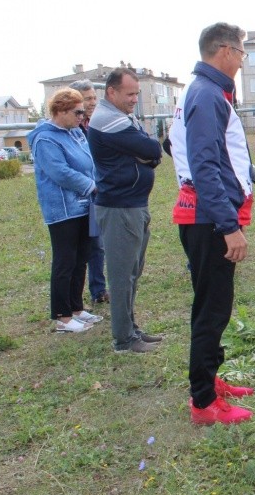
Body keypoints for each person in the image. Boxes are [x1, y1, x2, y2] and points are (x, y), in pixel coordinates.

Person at [170, 22, 255, 425]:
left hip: (207, 218)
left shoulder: (207, 92)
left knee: (213, 307)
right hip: (208, 221)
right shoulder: (206, 95)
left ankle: (210, 380)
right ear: (224, 50)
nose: (242, 60)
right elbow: (204, 165)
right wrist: (228, 225)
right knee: (211, 310)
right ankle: (203, 401)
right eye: (241, 52)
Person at [87, 67, 164, 353]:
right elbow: (152, 149)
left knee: (133, 272)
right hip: (120, 208)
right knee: (121, 277)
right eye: (130, 94)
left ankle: (132, 329)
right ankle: (123, 339)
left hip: (133, 204)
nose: (134, 99)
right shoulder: (108, 119)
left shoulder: (122, 117)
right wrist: (146, 153)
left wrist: (146, 153)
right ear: (112, 92)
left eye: (136, 94)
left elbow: (149, 152)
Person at [27, 88, 103, 333]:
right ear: (60, 111)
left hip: (84, 206)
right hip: (62, 209)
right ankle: (62, 316)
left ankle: (77, 308)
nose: (83, 116)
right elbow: (59, 171)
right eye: (77, 111)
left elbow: (88, 160)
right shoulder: (46, 138)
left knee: (82, 257)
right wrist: (90, 185)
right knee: (65, 260)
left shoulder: (75, 132)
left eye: (83, 111)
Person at [70, 79, 109, 305]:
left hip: (97, 189)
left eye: (94, 97)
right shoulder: (72, 128)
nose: (93, 102)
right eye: (88, 99)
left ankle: (98, 289)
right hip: (78, 193)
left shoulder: (96, 123)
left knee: (97, 242)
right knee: (78, 247)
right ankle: (74, 300)